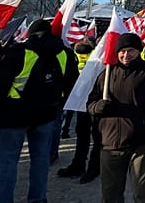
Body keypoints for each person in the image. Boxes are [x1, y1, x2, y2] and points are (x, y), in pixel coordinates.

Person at [0, 19, 78, 203]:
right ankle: (38, 199)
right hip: (47, 114)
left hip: (14, 115)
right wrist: (58, 104)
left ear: (30, 34)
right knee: (40, 159)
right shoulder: (65, 54)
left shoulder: (18, 52)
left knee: (7, 161)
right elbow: (71, 84)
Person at [87, 32, 145, 203]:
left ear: (138, 50)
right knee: (110, 194)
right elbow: (90, 102)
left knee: (143, 194)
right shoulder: (106, 73)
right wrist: (97, 107)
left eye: (130, 50)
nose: (126, 55)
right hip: (110, 143)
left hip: (141, 142)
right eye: (122, 51)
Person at [58, 39, 103, 184]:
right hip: (90, 101)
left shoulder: (72, 57)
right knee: (94, 136)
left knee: (85, 135)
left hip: (85, 101)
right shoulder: (96, 58)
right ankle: (90, 166)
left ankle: (83, 165)